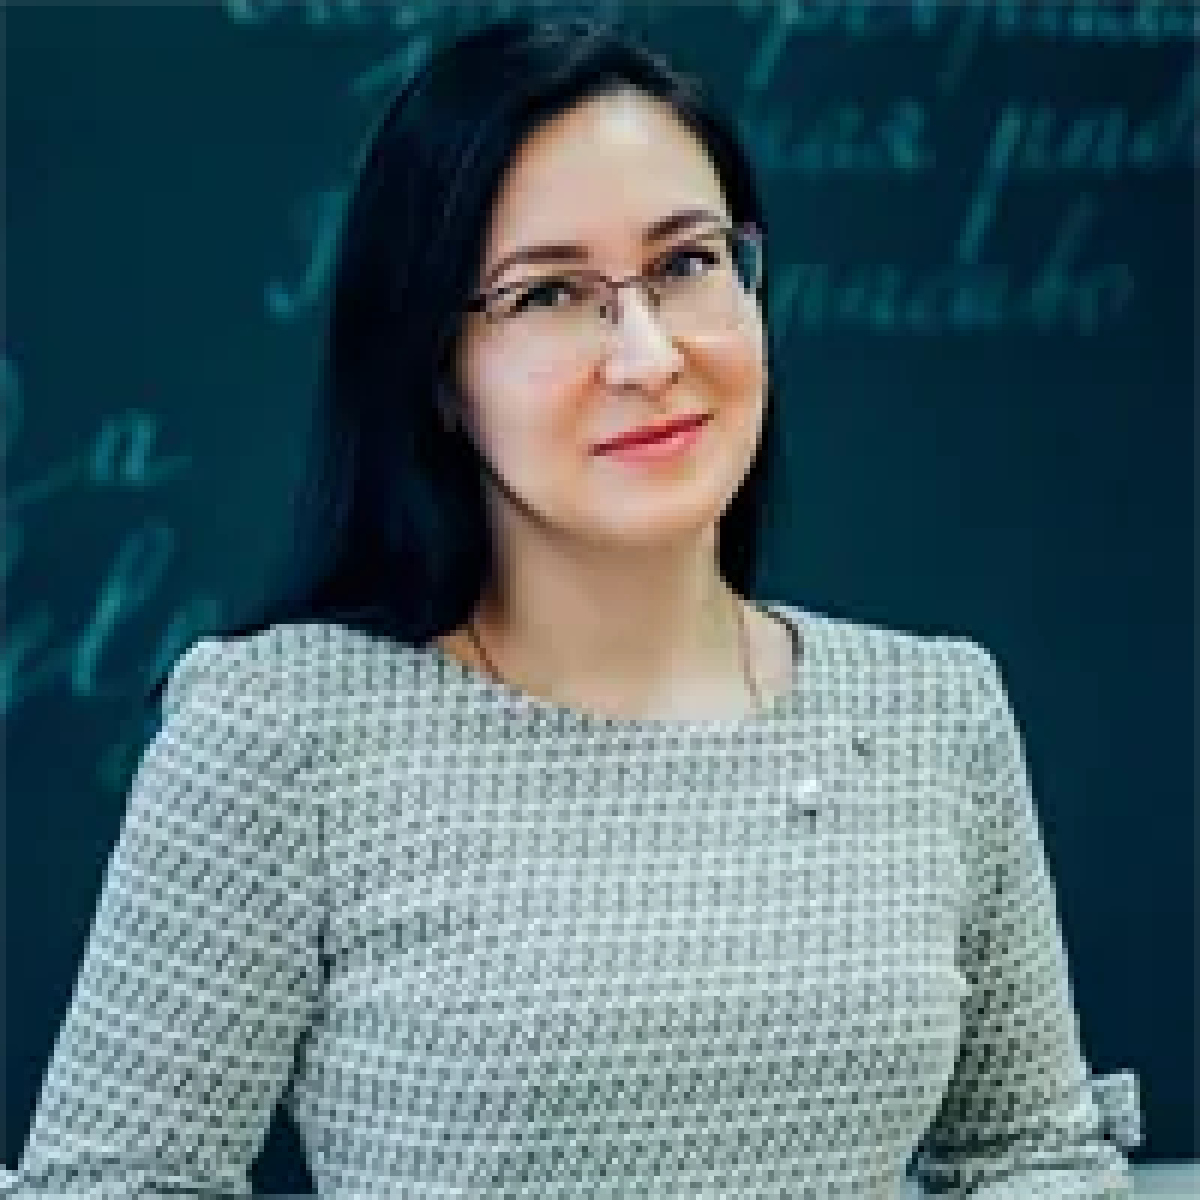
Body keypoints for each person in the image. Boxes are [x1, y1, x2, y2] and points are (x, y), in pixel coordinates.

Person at [2, 14, 1142, 1198]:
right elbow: (115, 1184)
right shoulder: (284, 733)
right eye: (548, 292)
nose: (648, 356)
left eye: (687, 264)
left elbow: (1031, 1156)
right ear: (438, 371)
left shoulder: (935, 713)